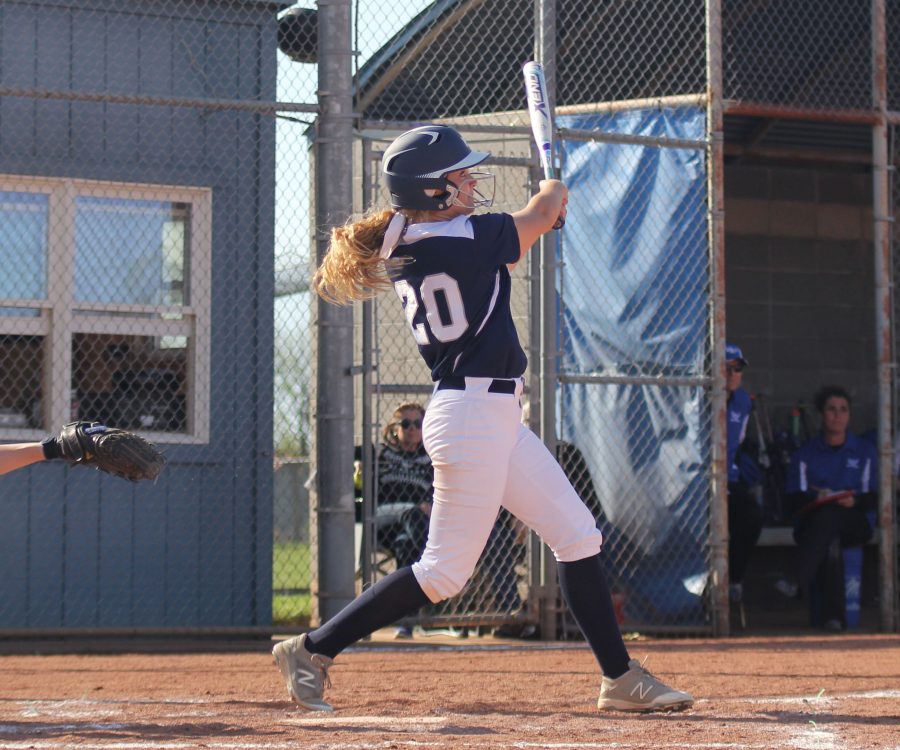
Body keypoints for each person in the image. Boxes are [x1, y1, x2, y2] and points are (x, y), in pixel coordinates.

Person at [272, 124, 693, 713]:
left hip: (489, 415)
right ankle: (312, 649)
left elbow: (528, 226)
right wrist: (553, 194)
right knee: (444, 573)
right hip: (472, 415)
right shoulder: (466, 237)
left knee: (577, 535)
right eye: (459, 177)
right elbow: (540, 213)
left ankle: (620, 678)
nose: (470, 183)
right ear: (431, 190)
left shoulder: (415, 238)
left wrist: (546, 212)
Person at [774, 385, 877, 630]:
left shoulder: (864, 451)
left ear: (849, 415)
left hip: (856, 521)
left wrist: (855, 501)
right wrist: (816, 497)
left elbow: (872, 498)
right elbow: (793, 502)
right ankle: (834, 619)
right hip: (813, 524)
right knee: (829, 533)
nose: (837, 415)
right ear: (821, 414)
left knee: (832, 517)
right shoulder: (806, 454)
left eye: (843, 410)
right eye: (831, 409)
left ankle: (797, 578)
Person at [724, 343, 762, 605]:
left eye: (737, 368)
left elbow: (736, 445)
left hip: (728, 478)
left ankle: (733, 580)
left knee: (751, 514)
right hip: (695, 483)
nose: (732, 373)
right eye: (726, 368)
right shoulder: (698, 395)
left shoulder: (743, 402)